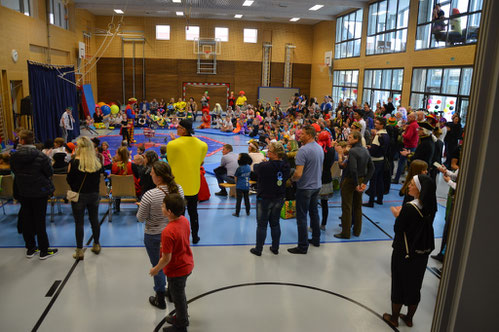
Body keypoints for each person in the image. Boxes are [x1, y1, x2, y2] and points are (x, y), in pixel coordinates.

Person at [383, 174, 437, 328]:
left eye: (413, 184)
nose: (409, 186)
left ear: (420, 189)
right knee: (415, 285)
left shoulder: (409, 208)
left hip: (404, 252)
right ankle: (409, 318)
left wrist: (397, 215)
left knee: (399, 284)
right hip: (421, 253)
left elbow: (398, 229)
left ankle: (394, 318)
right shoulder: (430, 207)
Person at [137, 161, 184, 310]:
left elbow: (140, 218)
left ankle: (160, 297)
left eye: (152, 173)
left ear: (158, 177)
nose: (150, 175)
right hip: (174, 232)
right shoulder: (179, 190)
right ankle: (171, 292)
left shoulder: (150, 195)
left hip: (154, 234)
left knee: (157, 266)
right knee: (170, 262)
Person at [10, 130, 58, 259]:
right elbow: (49, 172)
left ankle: (30, 248)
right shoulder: (41, 156)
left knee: (26, 219)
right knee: (39, 220)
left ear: (22, 141)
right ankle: (44, 250)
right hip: (39, 191)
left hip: (23, 191)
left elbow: (15, 171)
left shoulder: (14, 156)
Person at [149, 194, 193, 332]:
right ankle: (181, 315)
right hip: (187, 264)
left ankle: (181, 324)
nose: (161, 207)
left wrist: (156, 269)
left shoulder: (168, 232)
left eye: (163, 206)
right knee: (179, 294)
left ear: (169, 212)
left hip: (177, 270)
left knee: (178, 297)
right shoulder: (184, 220)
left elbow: (166, 258)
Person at [167, 119, 208, 244]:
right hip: (193, 185)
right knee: (193, 212)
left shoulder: (172, 145)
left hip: (177, 186)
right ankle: (195, 236)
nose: (176, 129)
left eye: (178, 127)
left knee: (179, 214)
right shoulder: (202, 145)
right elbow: (200, 161)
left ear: (183, 130)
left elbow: (171, 163)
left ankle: (181, 238)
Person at [288, 125, 324, 254]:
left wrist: (291, 180)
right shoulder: (319, 148)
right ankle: (316, 239)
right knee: (314, 213)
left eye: (302, 134)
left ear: (309, 135)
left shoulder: (303, 151)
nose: (300, 136)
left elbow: (298, 173)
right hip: (316, 186)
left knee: (302, 216)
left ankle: (302, 246)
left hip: (305, 187)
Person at [250, 142, 290, 256]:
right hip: (279, 197)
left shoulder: (264, 166)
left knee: (262, 225)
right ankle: (275, 247)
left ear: (275, 154)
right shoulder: (286, 166)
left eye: (270, 151)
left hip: (265, 198)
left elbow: (255, 168)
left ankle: (258, 249)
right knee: (275, 223)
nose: (267, 152)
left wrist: (264, 163)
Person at [67, 136, 103, 260]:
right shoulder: (96, 161)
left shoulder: (74, 162)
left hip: (79, 195)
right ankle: (96, 244)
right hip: (93, 194)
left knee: (79, 223)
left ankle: (79, 251)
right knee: (94, 220)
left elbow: (69, 180)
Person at [335, 131, 374, 239]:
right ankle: (357, 231)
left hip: (350, 180)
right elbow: (372, 168)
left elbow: (353, 169)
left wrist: (356, 183)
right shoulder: (365, 150)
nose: (348, 139)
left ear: (356, 139)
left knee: (347, 207)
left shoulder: (352, 151)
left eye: (350, 137)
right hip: (361, 180)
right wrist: (364, 182)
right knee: (358, 206)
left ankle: (345, 233)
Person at [364, 117, 390, 207]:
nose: (375, 124)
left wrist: (368, 149)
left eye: (377, 123)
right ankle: (380, 199)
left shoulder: (378, 136)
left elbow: (374, 150)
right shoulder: (386, 135)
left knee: (373, 181)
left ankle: (371, 202)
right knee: (380, 181)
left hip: (375, 161)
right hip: (382, 159)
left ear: (382, 125)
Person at [111, 146, 141, 212]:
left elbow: (112, 180)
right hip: (132, 191)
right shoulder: (132, 165)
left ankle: (117, 207)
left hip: (117, 191)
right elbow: (138, 177)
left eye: (116, 154)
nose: (115, 155)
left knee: (116, 186)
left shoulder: (114, 166)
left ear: (120, 155)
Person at [316, 131, 335, 230]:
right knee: (324, 203)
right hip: (327, 176)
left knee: (313, 204)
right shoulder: (332, 149)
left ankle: (313, 225)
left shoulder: (318, 149)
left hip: (317, 177)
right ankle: (323, 224)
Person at [393, 112, 419, 184]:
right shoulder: (416, 125)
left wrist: (403, 133)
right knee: (409, 164)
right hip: (413, 145)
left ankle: (396, 179)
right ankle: (409, 180)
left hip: (408, 146)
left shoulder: (412, 125)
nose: (408, 118)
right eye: (408, 116)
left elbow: (408, 136)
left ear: (414, 118)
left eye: (410, 117)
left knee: (401, 163)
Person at [233, 153, 252, 217]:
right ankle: (248, 211)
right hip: (246, 185)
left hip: (240, 186)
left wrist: (236, 183)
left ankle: (237, 213)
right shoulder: (248, 167)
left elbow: (236, 177)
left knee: (239, 200)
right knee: (247, 199)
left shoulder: (239, 168)